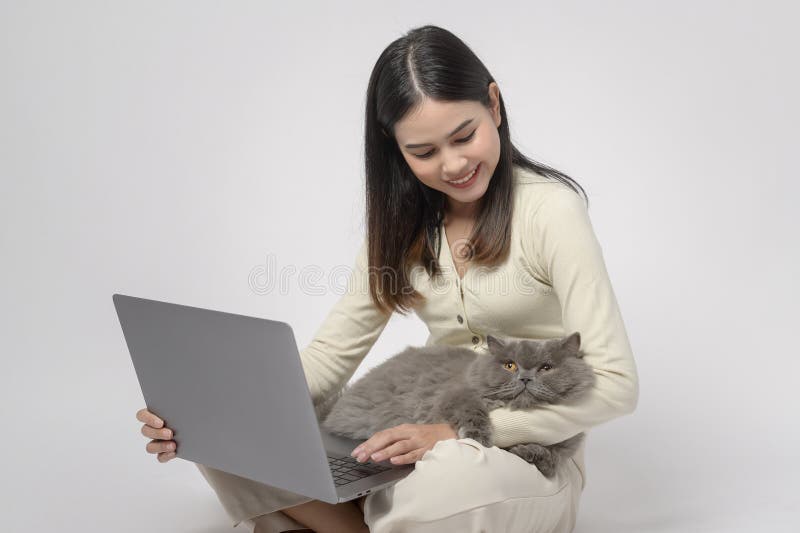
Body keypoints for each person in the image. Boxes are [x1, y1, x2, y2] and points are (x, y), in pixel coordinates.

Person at [136, 24, 639, 533]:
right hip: (418, 433)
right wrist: (210, 415)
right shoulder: (402, 227)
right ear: (394, 146)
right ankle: (367, 518)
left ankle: (332, 520)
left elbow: (618, 387)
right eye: (424, 152)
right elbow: (330, 358)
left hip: (524, 458)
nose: (455, 164)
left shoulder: (551, 211)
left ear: (495, 105)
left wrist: (458, 432)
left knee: (448, 478)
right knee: (232, 439)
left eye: (465, 135)